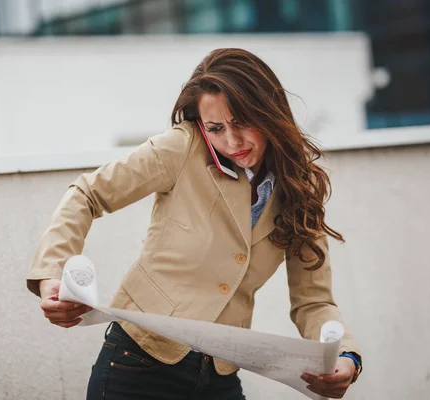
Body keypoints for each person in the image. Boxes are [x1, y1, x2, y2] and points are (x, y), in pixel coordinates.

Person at [26, 48, 362, 399]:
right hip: (137, 363)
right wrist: (52, 273)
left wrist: (345, 355)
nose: (232, 141)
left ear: (270, 113)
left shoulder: (298, 190)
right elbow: (87, 194)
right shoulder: (182, 148)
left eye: (243, 122)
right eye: (216, 128)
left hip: (220, 375)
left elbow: (313, 302)